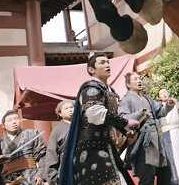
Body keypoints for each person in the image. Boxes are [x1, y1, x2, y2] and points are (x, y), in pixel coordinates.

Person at [59, 53, 140, 185]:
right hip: (91, 150)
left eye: (108, 62)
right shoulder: (91, 88)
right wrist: (125, 122)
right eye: (102, 62)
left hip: (107, 147)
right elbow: (94, 113)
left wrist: (126, 132)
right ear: (91, 70)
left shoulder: (109, 90)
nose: (107, 64)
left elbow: (111, 117)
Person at [119, 72, 173, 185]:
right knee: (147, 177)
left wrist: (168, 106)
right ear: (128, 84)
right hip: (143, 142)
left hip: (157, 140)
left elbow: (160, 112)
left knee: (166, 173)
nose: (139, 81)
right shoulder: (126, 100)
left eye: (140, 78)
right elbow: (123, 118)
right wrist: (140, 114)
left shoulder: (147, 98)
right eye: (135, 79)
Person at [0, 110, 46, 185]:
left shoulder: (32, 134)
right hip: (10, 180)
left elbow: (42, 156)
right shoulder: (0, 142)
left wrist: (40, 174)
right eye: (9, 120)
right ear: (3, 125)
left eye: (16, 119)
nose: (14, 122)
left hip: (31, 177)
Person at [41, 100, 74, 184]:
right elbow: (51, 152)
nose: (70, 110)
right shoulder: (57, 130)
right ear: (60, 114)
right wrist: (52, 175)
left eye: (72, 107)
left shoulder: (81, 126)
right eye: (66, 108)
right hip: (67, 166)